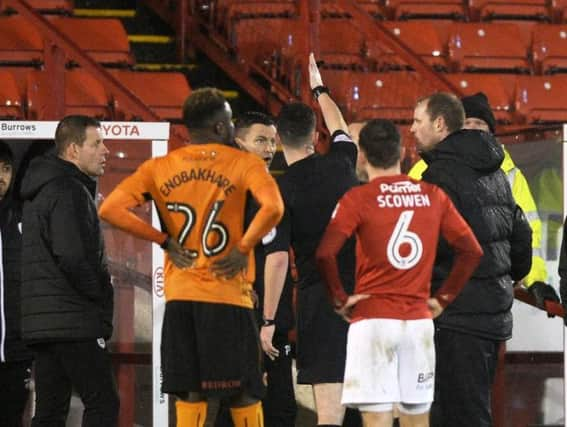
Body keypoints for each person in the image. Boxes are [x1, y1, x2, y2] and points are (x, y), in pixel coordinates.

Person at [99, 87, 284, 427]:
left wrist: (164, 240)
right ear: (219, 127)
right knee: (244, 392)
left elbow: (111, 208)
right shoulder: (244, 164)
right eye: (229, 122)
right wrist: (243, 247)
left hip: (181, 298)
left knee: (190, 394)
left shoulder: (160, 167)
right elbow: (274, 207)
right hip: (229, 298)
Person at [315, 119, 484, 427]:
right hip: (418, 323)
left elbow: (325, 253)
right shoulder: (433, 196)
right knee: (417, 420)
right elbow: (472, 251)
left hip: (373, 321)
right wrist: (443, 299)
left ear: (362, 155)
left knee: (376, 420)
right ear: (403, 152)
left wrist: (340, 299)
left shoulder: (358, 198)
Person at [409, 93, 533, 427]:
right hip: (491, 316)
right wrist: (507, 276)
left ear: (439, 124)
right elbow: (521, 235)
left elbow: (421, 249)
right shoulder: (497, 171)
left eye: (418, 121)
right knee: (473, 407)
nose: (412, 129)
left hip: (454, 317)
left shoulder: (438, 177)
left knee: (455, 413)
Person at [260, 54, 360, 427]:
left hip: (322, 304)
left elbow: (278, 260)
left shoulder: (280, 190)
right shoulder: (342, 162)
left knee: (329, 414)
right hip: (365, 295)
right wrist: (319, 88)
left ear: (278, 138)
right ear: (315, 133)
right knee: (368, 409)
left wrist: (268, 319)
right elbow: (340, 125)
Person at [408, 92, 558, 310]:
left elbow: (528, 233)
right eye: (467, 123)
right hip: (445, 295)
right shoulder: (423, 168)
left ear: (491, 131)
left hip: (476, 298)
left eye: (479, 123)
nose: (473, 129)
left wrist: (536, 279)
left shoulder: (510, 174)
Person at [19, 116, 119, 426]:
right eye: (97, 143)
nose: (106, 150)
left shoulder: (41, 189)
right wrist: (100, 295)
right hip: (73, 320)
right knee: (103, 403)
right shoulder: (68, 190)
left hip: (46, 323)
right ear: (74, 150)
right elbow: (72, 257)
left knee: (49, 412)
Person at [213, 111, 297, 427]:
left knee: (232, 403)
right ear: (239, 142)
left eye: (272, 141)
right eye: (260, 140)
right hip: (258, 319)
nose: (268, 148)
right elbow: (276, 257)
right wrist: (268, 322)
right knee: (277, 407)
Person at [0, 141, 33, 427]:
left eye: (6, 169)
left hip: (17, 351)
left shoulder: (23, 217)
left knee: (12, 418)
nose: (1, 176)